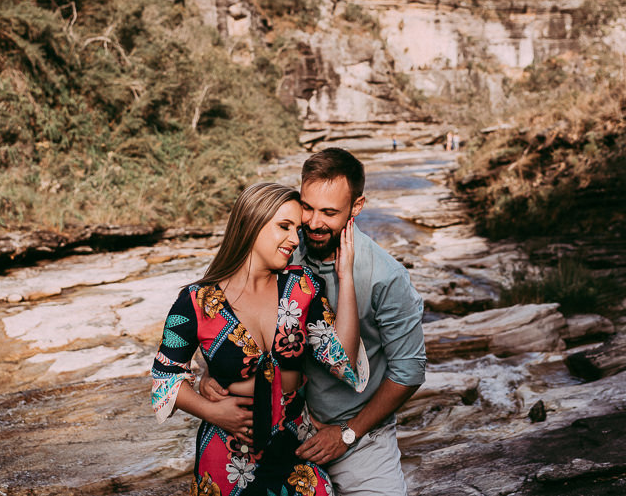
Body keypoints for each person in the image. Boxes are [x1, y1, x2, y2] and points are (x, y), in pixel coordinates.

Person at [203, 149, 427, 495]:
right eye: (307, 207)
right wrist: (213, 374)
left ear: (357, 206)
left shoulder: (386, 276)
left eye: (329, 212)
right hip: (285, 431)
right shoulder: (283, 251)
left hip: (361, 441)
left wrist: (348, 433)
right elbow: (234, 318)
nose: (313, 222)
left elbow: (409, 372)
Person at [149, 182, 369, 496]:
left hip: (296, 449)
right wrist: (212, 412)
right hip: (227, 460)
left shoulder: (303, 287)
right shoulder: (197, 302)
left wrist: (344, 276)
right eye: (284, 227)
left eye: (298, 229)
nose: (295, 239)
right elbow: (163, 380)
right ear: (251, 224)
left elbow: (343, 361)